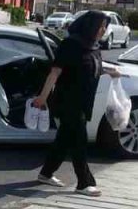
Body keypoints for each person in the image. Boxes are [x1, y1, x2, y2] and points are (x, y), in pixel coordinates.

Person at [31, 11, 124, 196]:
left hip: (84, 102)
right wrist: (42, 97)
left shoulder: (93, 46)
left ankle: (46, 173)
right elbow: (55, 72)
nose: (103, 30)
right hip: (68, 102)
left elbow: (90, 67)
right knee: (79, 142)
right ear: (90, 26)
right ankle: (84, 182)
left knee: (64, 139)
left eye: (104, 27)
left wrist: (110, 72)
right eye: (100, 26)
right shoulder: (71, 45)